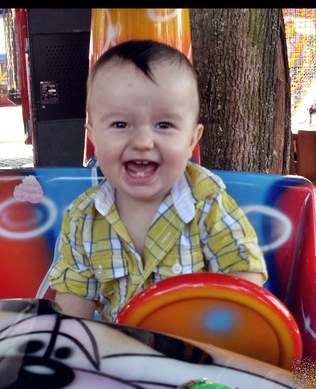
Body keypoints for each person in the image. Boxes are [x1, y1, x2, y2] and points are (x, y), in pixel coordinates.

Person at [44, 40, 268, 322]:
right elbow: (72, 315)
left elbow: (246, 288)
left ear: (192, 139)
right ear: (93, 137)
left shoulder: (208, 204)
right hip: (119, 347)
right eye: (120, 124)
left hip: (196, 345)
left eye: (164, 125)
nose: (142, 141)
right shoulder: (82, 219)